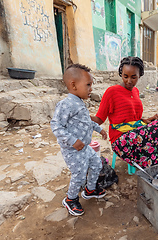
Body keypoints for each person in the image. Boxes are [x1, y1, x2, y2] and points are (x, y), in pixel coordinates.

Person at [91, 56, 158, 168]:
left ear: (140, 75)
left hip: (136, 132)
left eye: (133, 77)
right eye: (125, 76)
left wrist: (147, 120)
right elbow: (99, 119)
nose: (129, 81)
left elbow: (133, 119)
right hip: (122, 140)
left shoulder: (135, 91)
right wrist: (82, 116)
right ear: (121, 74)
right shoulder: (111, 92)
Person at [51, 64, 108, 216]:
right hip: (73, 150)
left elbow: (86, 122)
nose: (91, 89)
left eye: (91, 85)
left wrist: (99, 129)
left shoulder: (79, 103)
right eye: (88, 85)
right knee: (79, 175)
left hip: (85, 147)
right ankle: (70, 199)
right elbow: (56, 126)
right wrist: (72, 140)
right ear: (73, 85)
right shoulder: (66, 104)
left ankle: (90, 189)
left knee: (97, 164)